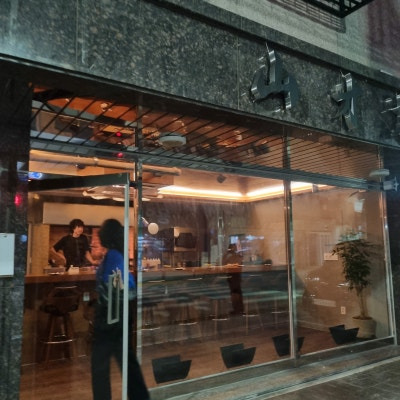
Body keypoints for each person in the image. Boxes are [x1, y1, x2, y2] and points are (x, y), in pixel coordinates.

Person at [91, 218, 150, 400]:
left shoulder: (113, 256)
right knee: (126, 362)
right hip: (119, 316)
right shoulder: (117, 254)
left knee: (100, 366)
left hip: (110, 316)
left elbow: (118, 286)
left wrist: (103, 302)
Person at [222, 243, 244, 315]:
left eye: (235, 248)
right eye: (233, 248)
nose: (234, 249)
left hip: (234, 275)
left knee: (235, 292)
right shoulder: (231, 255)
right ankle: (239, 309)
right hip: (234, 275)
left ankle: (238, 309)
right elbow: (224, 263)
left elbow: (224, 263)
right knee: (236, 292)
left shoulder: (235, 255)